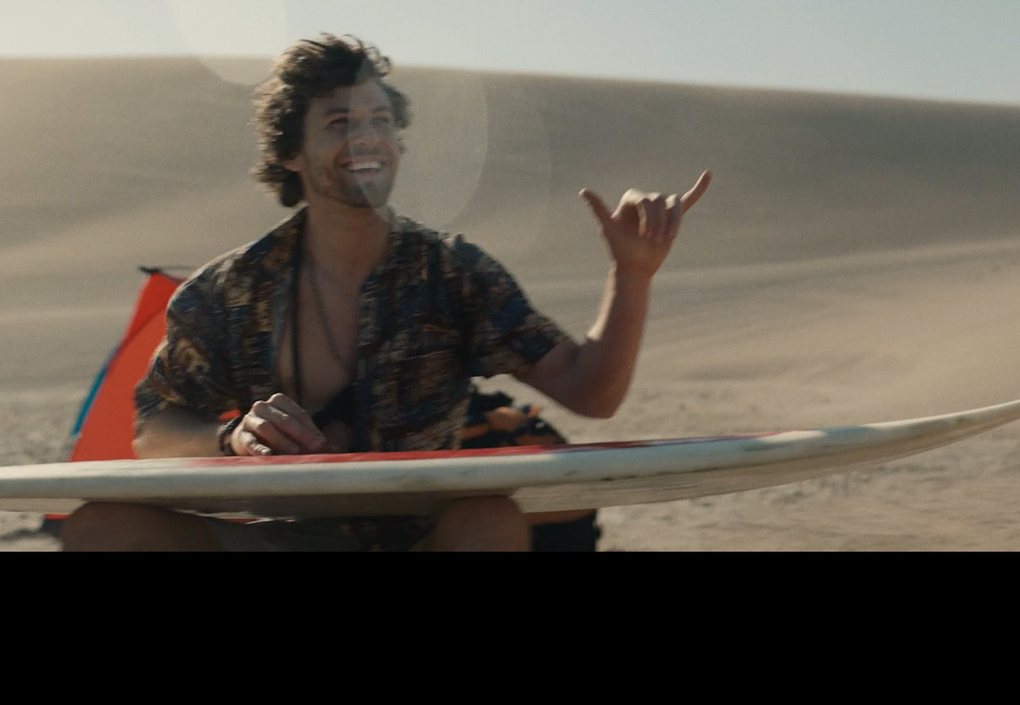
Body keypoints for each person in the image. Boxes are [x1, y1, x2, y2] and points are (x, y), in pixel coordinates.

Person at [60, 34, 710, 551]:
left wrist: (632, 277)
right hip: (287, 538)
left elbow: (590, 391)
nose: (366, 136)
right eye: (340, 121)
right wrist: (233, 438)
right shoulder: (227, 291)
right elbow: (154, 430)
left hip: (424, 535)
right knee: (102, 529)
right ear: (291, 152)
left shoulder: (451, 273)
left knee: (486, 519)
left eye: (379, 119)